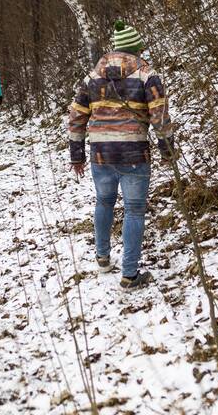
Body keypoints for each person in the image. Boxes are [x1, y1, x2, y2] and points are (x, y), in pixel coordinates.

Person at [68, 20, 174, 290]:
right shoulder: (147, 75)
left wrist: (77, 155)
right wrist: (167, 150)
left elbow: (77, 116)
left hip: (100, 153)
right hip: (133, 152)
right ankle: (129, 274)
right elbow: (159, 116)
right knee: (134, 210)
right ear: (136, 48)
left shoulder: (92, 77)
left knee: (104, 202)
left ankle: (103, 258)